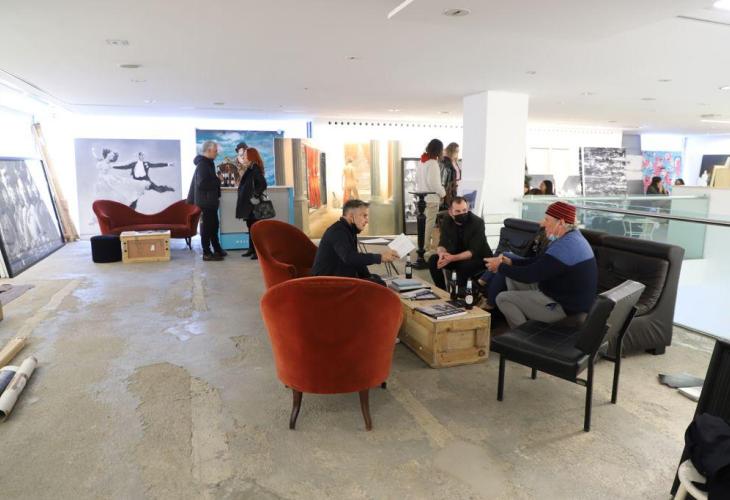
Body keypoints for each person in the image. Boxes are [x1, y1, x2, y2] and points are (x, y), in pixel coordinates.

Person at [489, 201, 597, 328]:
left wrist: (500, 267)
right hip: (556, 293)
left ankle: (523, 335)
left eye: (547, 219)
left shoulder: (566, 247)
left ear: (561, 222)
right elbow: (537, 262)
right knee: (511, 276)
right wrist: (511, 262)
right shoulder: (570, 237)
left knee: (503, 298)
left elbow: (529, 275)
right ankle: (526, 312)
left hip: (564, 307)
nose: (542, 223)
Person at [312, 199, 399, 282]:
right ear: (351, 216)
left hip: (338, 277)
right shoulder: (338, 232)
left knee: (377, 280)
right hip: (326, 283)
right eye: (364, 216)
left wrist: (368, 277)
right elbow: (349, 257)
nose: (367, 220)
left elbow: (356, 260)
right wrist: (380, 257)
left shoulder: (349, 230)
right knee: (379, 284)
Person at [428, 196, 493, 290]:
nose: (462, 213)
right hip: (456, 255)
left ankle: (458, 293)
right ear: (451, 212)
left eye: (464, 210)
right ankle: (442, 291)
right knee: (433, 260)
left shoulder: (477, 222)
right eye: (458, 211)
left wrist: (452, 258)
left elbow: (473, 252)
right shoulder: (447, 220)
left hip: (478, 258)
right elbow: (442, 243)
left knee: (463, 267)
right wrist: (441, 254)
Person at [187, 140, 226, 261]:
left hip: (209, 202)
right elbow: (202, 184)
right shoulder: (203, 165)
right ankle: (207, 253)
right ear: (208, 150)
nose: (217, 153)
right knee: (207, 228)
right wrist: (218, 180)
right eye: (215, 151)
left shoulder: (208, 163)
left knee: (214, 226)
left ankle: (217, 249)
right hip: (206, 202)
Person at [236, 147, 267, 260]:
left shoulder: (255, 168)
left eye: (245, 155)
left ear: (251, 156)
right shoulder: (251, 168)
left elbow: (263, 184)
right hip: (249, 205)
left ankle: (257, 252)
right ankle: (251, 249)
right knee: (250, 227)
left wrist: (255, 196)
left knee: (255, 228)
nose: (243, 157)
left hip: (253, 205)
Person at [416, 139, 446, 252]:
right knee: (429, 225)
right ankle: (425, 249)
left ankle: (421, 247)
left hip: (422, 199)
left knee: (422, 225)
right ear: (438, 150)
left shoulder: (422, 161)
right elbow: (434, 184)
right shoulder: (433, 163)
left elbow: (417, 179)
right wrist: (443, 193)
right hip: (432, 199)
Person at [440, 142, 460, 209]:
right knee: (449, 207)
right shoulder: (446, 161)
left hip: (455, 187)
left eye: (458, 151)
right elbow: (443, 178)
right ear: (451, 151)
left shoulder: (454, 161)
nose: (457, 153)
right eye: (456, 151)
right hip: (449, 189)